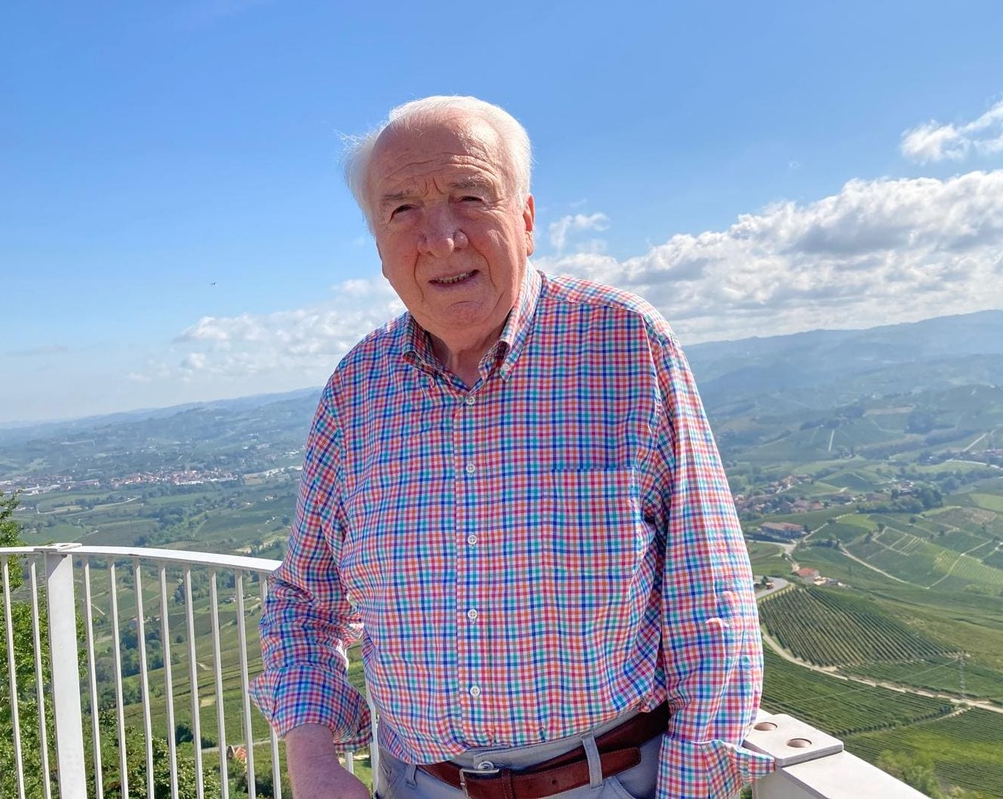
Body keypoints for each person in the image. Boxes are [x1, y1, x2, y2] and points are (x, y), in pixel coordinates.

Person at [254, 96, 772, 798]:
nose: (441, 239)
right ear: (378, 245)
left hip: (606, 782)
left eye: (470, 197)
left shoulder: (624, 345)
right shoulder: (355, 390)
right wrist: (313, 762)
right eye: (402, 209)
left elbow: (710, 599)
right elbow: (303, 602)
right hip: (415, 785)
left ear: (526, 218)